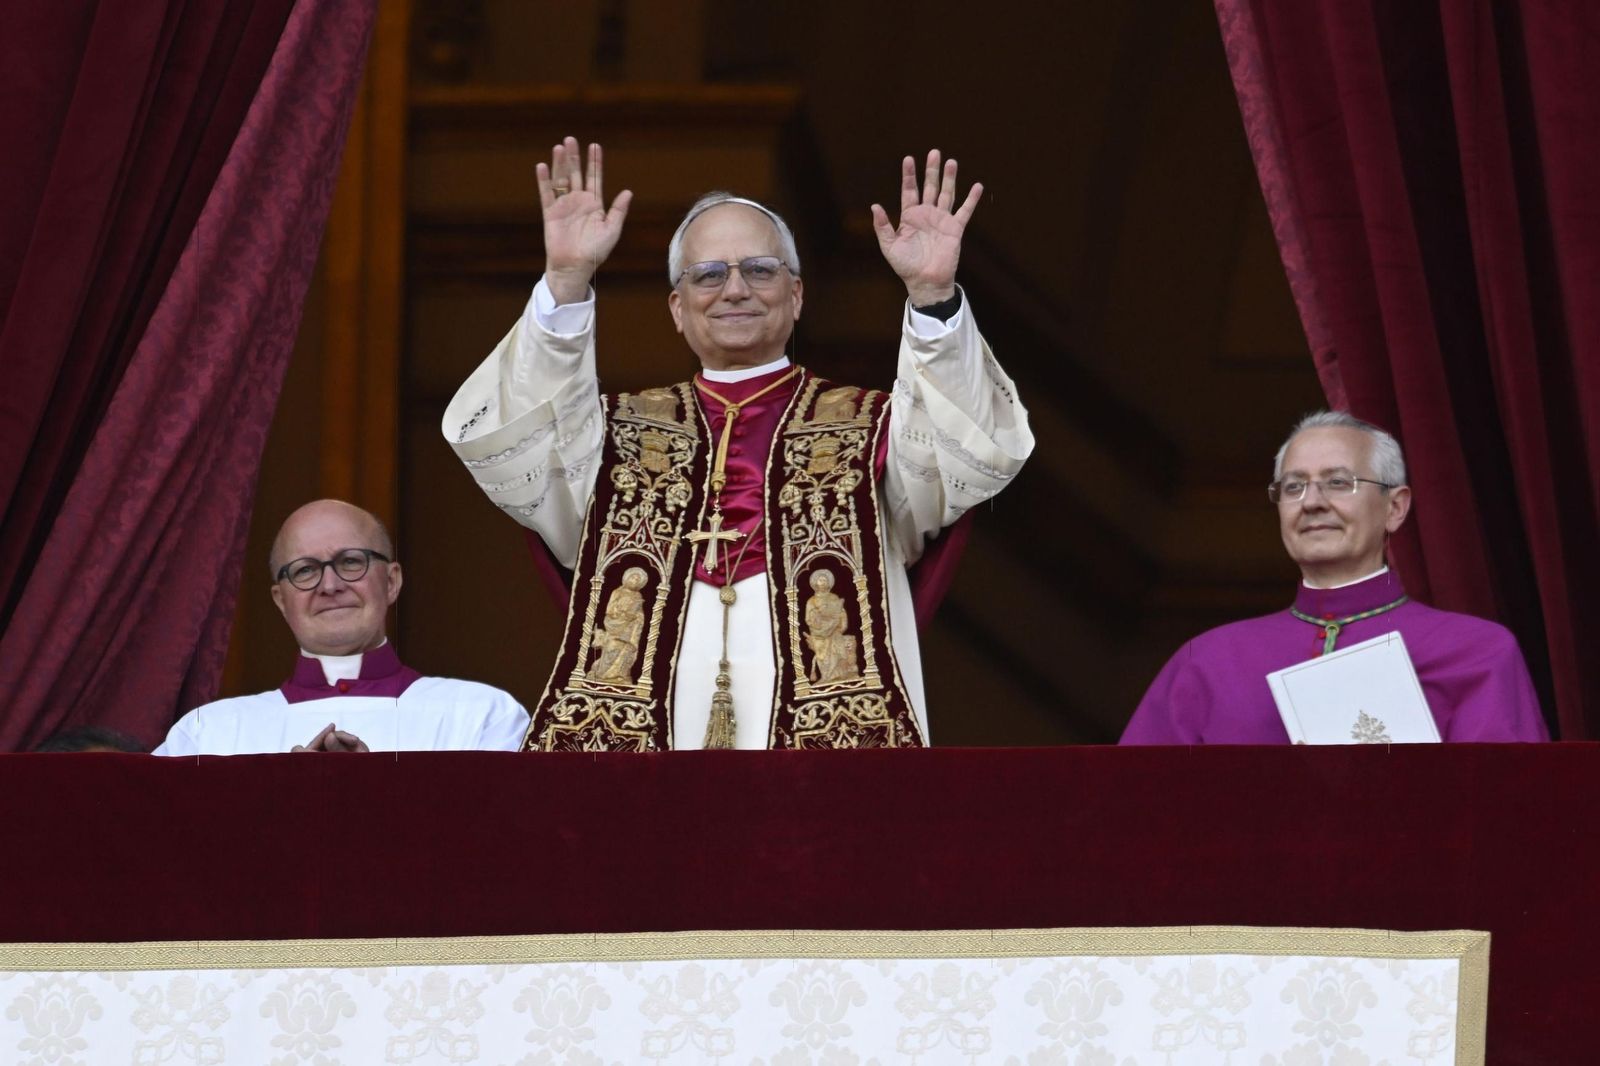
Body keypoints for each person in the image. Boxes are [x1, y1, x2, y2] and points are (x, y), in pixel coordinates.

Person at [444, 138, 1033, 751]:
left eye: (759, 269)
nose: (735, 290)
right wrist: (565, 285)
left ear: (797, 295)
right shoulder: (612, 433)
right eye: (708, 274)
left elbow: (969, 453)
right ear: (676, 308)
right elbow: (522, 455)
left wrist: (933, 299)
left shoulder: (873, 428)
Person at [1120, 411, 1548, 744]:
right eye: (1293, 487)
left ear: (1395, 508)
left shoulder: (1476, 653)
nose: (1312, 503)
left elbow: (1507, 819)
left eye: (1338, 482)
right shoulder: (1207, 661)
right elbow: (1134, 809)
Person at [154, 499, 528, 755]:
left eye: (351, 562)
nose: (329, 586)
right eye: (304, 570)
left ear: (392, 581)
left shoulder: (481, 716)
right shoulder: (207, 734)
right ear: (281, 600)